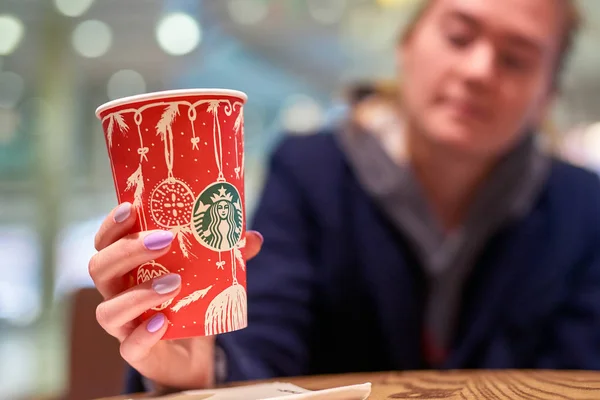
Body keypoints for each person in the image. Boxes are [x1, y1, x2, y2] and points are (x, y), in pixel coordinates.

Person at [89, 0, 600, 393]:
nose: (478, 70)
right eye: (459, 36)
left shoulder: (583, 208)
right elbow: (267, 349)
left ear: (547, 96)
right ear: (407, 45)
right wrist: (202, 371)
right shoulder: (311, 172)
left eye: (515, 59)